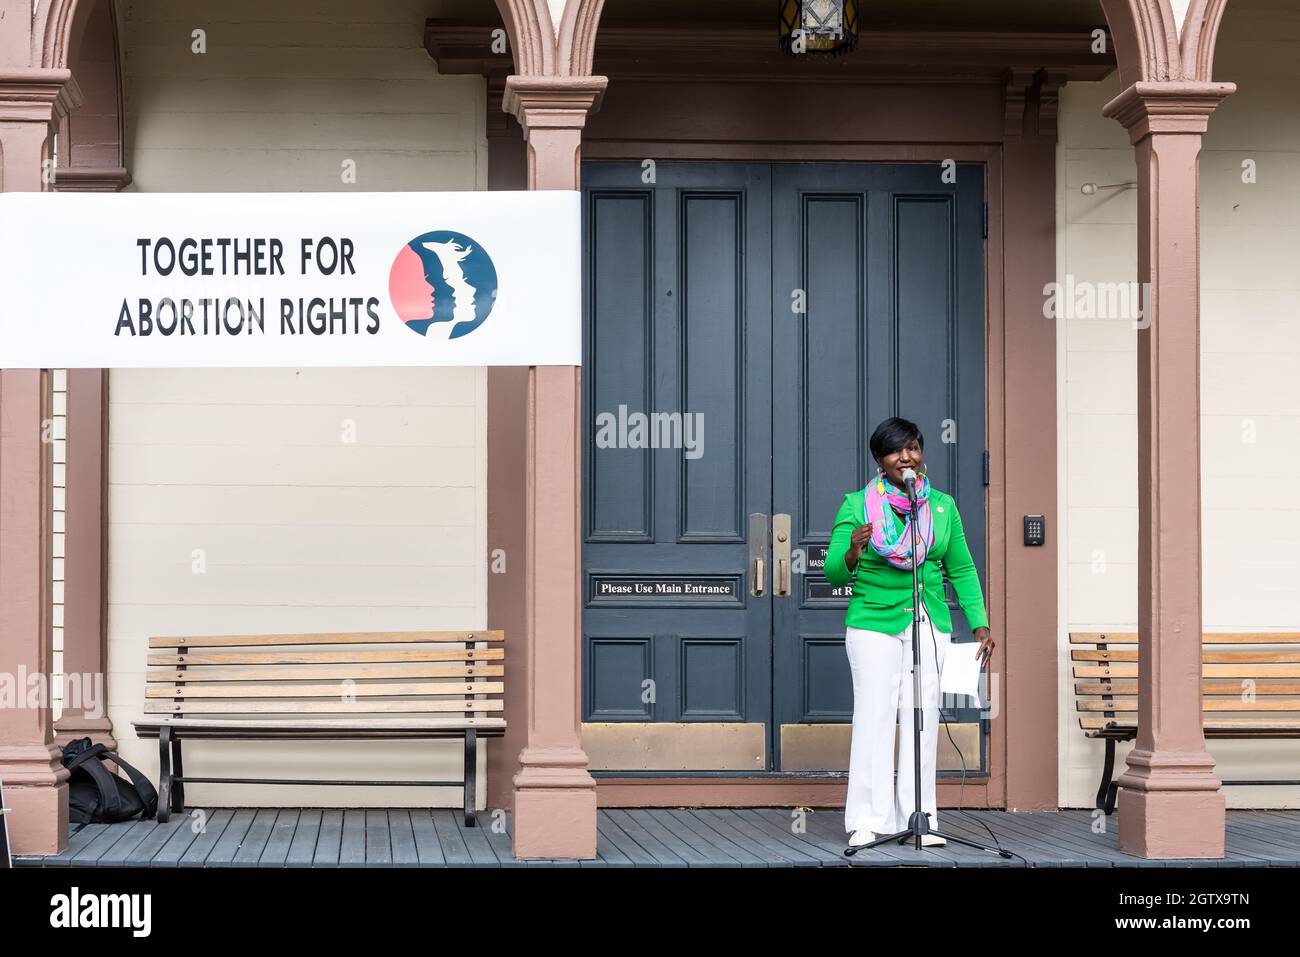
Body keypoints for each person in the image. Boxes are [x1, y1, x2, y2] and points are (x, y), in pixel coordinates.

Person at [823, 416, 994, 848]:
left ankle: (921, 816)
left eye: (913, 448)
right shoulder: (856, 505)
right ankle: (868, 819)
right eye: (896, 450)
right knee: (875, 717)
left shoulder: (941, 506)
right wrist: (853, 550)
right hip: (873, 622)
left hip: (927, 622)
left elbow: (962, 568)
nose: (907, 457)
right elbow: (832, 572)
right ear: (880, 459)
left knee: (922, 719)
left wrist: (980, 622)